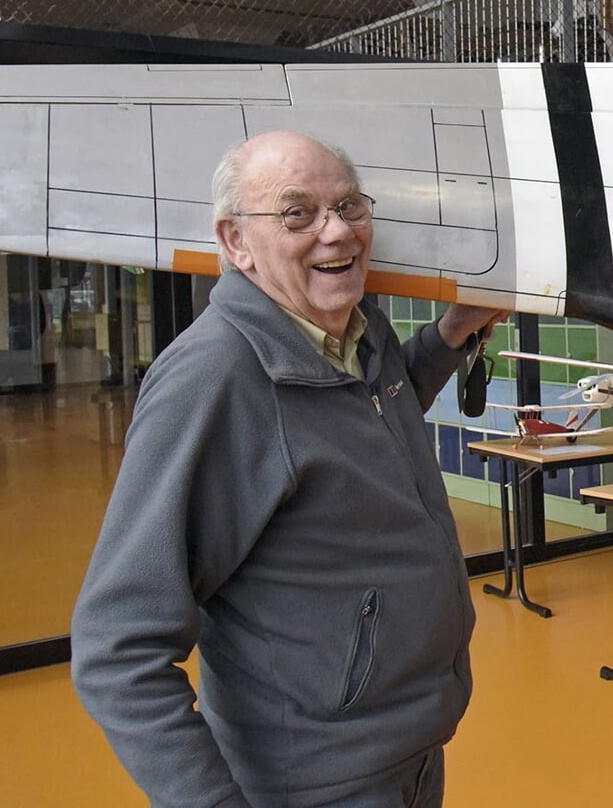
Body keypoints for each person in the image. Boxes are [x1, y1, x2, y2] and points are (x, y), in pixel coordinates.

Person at [71, 130, 508, 808]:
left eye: (350, 206)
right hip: (312, 780)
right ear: (236, 241)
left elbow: (359, 419)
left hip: (412, 752)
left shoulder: (359, 330)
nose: (336, 232)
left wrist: (451, 333)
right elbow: (115, 650)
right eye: (297, 213)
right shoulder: (214, 378)